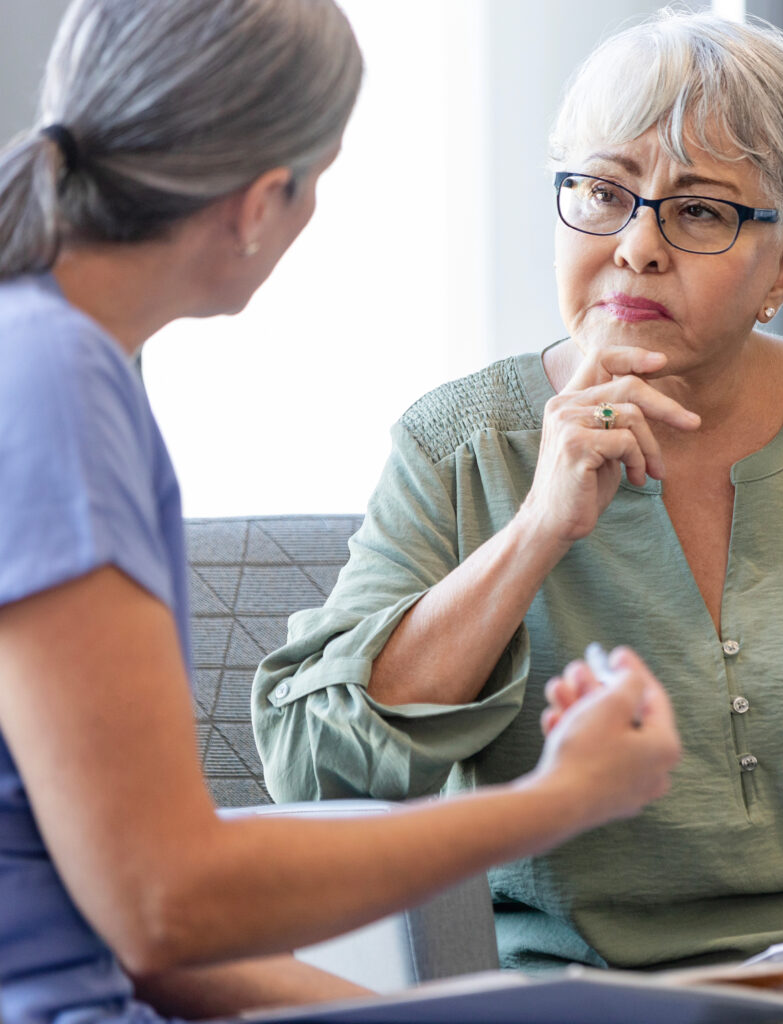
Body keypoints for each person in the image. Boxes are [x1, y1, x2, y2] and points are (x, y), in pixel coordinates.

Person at [252, 8, 783, 1023]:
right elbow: (313, 767)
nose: (637, 247)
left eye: (698, 212)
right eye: (603, 194)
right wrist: (538, 527)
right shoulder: (456, 448)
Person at [0, 3, 685, 1023]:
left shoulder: (55, 360)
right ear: (261, 199)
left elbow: (129, 925)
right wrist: (556, 801)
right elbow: (164, 901)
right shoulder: (55, 383)